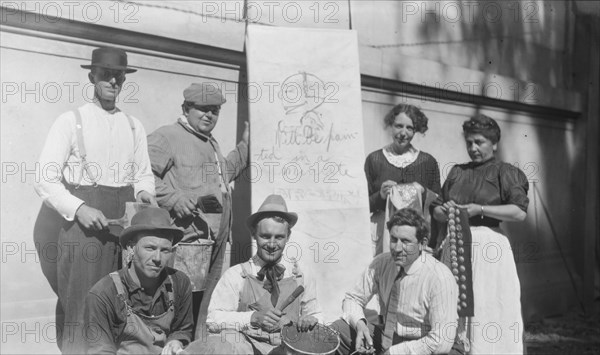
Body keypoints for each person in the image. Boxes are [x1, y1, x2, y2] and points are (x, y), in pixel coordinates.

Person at [33, 46, 156, 353]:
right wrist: (79, 208)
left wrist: (143, 193)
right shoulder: (70, 121)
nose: (113, 82)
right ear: (92, 77)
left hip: (124, 226)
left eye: (119, 76)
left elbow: (143, 174)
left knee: (121, 301)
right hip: (83, 228)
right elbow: (44, 178)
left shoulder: (134, 125)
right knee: (82, 303)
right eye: (106, 75)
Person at [147, 82, 249, 333]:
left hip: (214, 237)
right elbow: (142, 176)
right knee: (176, 300)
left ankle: (194, 347)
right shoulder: (166, 136)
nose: (209, 115)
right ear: (186, 108)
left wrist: (246, 146)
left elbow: (224, 175)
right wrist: (173, 199)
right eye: (202, 109)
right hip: (186, 239)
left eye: (214, 110)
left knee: (205, 302)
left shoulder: (210, 142)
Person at [432, 113, 529, 354]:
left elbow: (519, 212)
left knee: (488, 304)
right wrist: (442, 212)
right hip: (454, 246)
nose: (473, 148)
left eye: (479, 142)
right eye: (469, 142)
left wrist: (480, 209)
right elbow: (436, 209)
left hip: (489, 249)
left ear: (494, 143)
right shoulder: (457, 172)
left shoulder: (505, 172)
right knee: (453, 305)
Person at [182, 194, 323, 354]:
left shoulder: (301, 275)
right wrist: (253, 318)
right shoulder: (236, 275)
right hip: (247, 348)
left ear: (288, 237)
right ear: (253, 233)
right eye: (265, 236)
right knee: (222, 340)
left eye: (279, 237)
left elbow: (316, 313)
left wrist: (312, 320)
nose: (271, 244)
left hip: (288, 348)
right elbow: (213, 319)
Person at [332, 208, 458, 355]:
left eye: (405, 241)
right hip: (389, 336)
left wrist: (396, 352)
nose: (397, 248)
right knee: (337, 330)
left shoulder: (439, 277)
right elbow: (353, 298)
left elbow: (442, 342)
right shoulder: (382, 263)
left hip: (423, 345)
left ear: (422, 243)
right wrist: (360, 323)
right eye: (393, 239)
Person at [84, 207, 193, 354]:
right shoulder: (103, 295)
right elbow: (100, 350)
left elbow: (182, 329)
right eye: (150, 248)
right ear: (131, 247)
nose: (157, 259)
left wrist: (176, 341)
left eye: (165, 250)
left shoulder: (179, 283)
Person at [364, 104, 441, 255]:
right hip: (382, 232)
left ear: (416, 130)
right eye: (399, 126)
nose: (403, 133)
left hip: (414, 232)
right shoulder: (375, 159)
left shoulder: (427, 161)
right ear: (390, 126)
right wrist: (380, 196)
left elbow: (437, 203)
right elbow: (362, 205)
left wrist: (423, 192)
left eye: (409, 128)